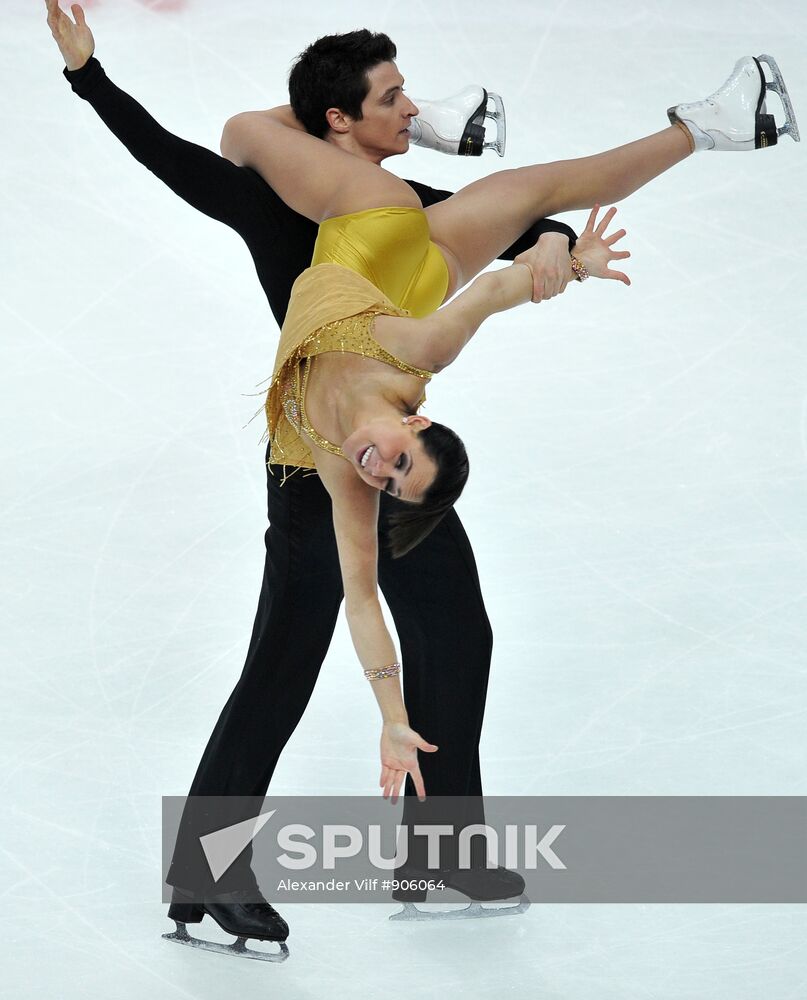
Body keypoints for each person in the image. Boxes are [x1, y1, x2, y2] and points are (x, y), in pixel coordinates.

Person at [45, 0, 585, 955]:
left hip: (390, 456)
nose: (409, 113)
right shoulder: (273, 201)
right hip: (314, 469)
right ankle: (210, 874)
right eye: (389, 100)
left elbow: (518, 219)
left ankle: (440, 852)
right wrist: (89, 76)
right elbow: (172, 157)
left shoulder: (386, 201)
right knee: (283, 666)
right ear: (337, 123)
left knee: (455, 630)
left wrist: (548, 244)